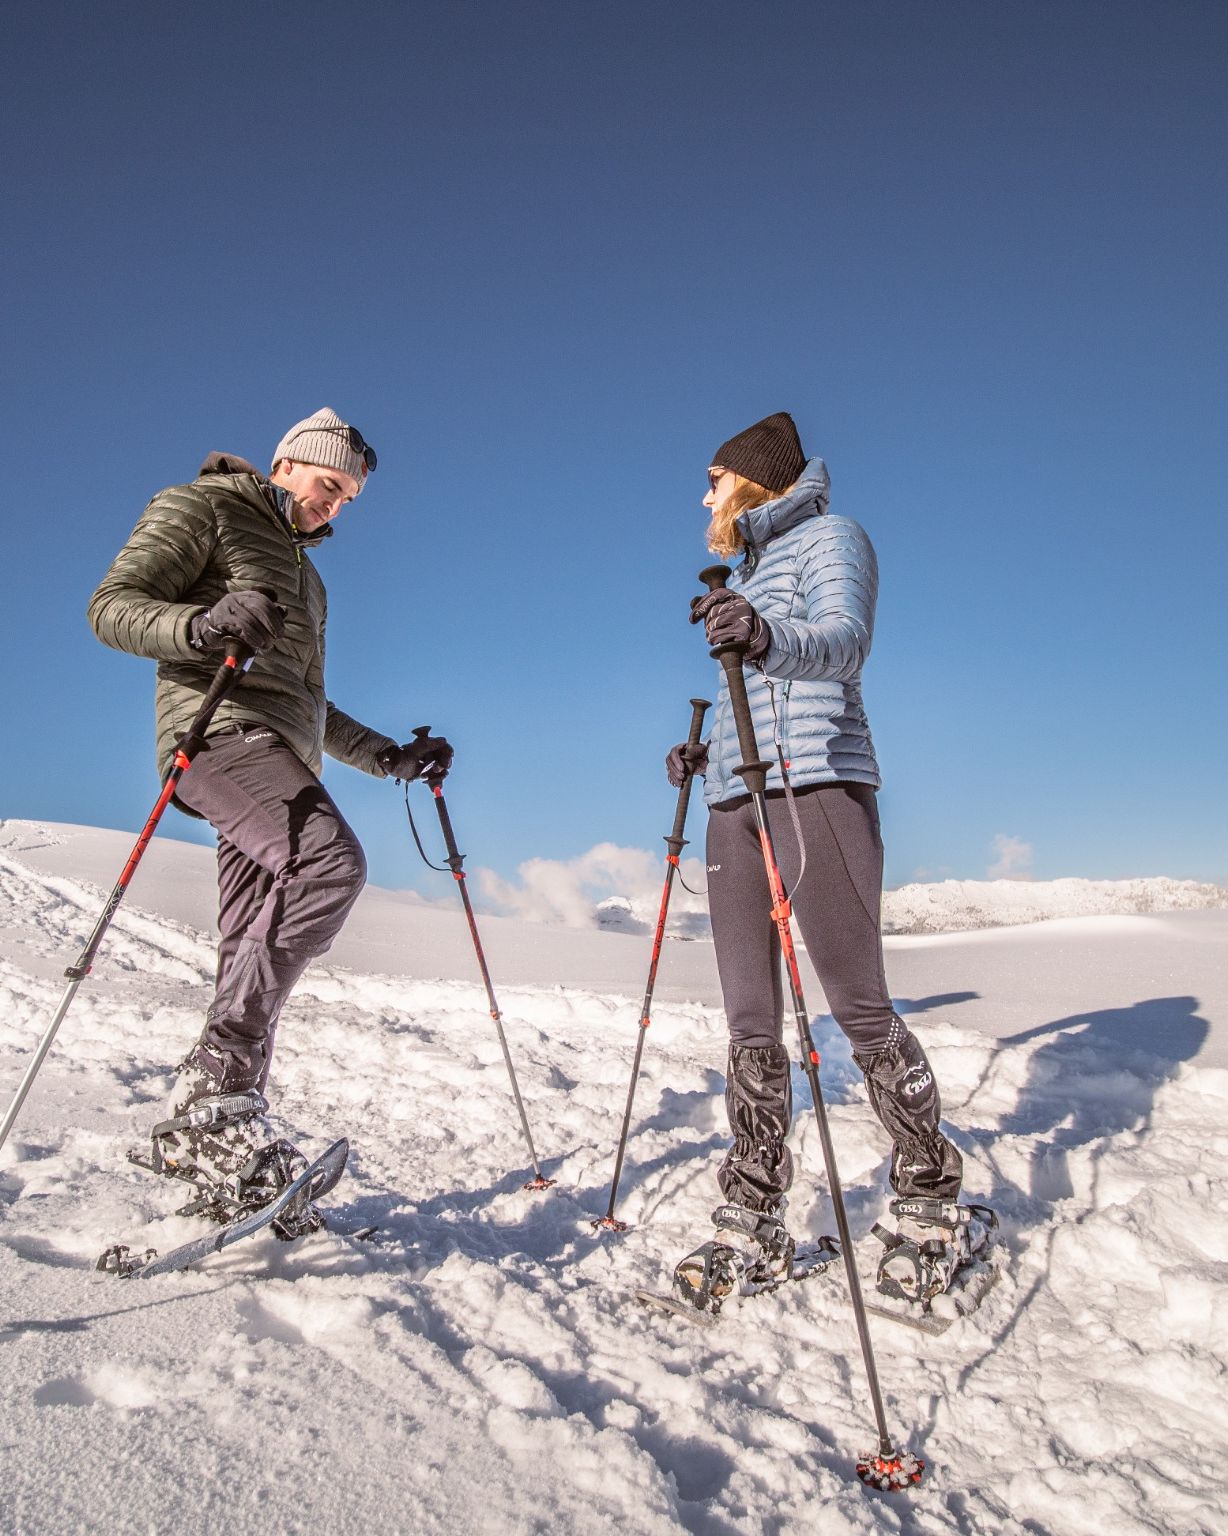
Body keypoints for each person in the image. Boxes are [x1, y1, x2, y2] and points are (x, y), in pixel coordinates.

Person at [88, 408, 451, 1229]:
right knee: (330, 865)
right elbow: (111, 607)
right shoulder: (202, 507)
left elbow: (306, 703)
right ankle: (217, 1078)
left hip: (279, 754)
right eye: (327, 486)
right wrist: (203, 623)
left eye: (347, 499)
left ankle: (222, 1131)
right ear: (285, 464)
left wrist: (388, 756)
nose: (333, 506)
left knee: (252, 935)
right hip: (216, 734)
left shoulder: (307, 576)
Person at [667, 411, 992, 1310]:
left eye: (715, 477)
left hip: (817, 787)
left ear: (755, 479)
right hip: (739, 800)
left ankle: (930, 1199)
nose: (705, 495)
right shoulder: (747, 571)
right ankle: (754, 1213)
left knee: (856, 1002)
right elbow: (754, 686)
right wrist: (708, 756)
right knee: (748, 1019)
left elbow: (846, 646)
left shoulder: (829, 539)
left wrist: (765, 638)